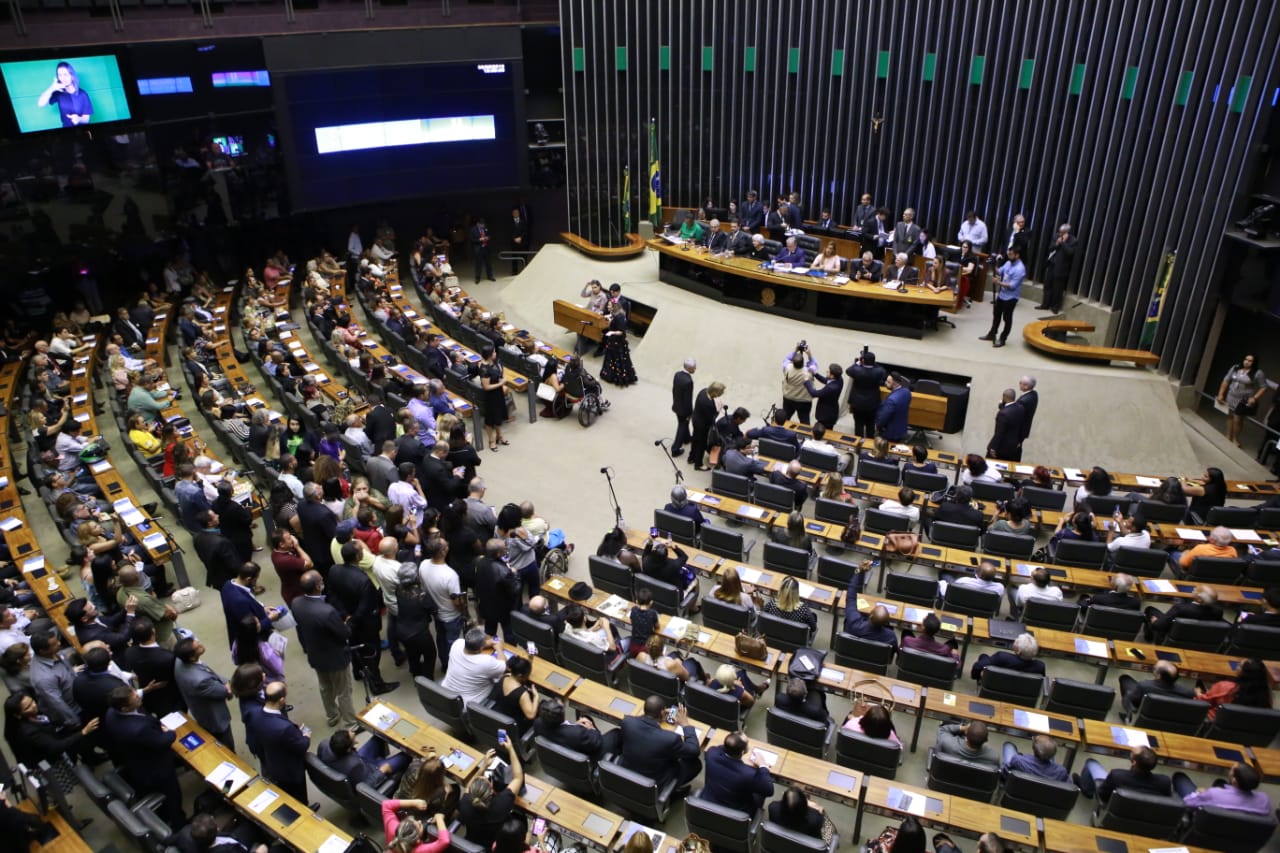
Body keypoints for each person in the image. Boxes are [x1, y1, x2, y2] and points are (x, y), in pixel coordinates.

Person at [103, 685, 185, 827]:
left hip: (136, 761)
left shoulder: (111, 713)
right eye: (135, 697)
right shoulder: (139, 729)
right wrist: (170, 732)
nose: (138, 695)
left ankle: (166, 816)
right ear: (125, 708)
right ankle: (179, 823)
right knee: (173, 797)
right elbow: (161, 742)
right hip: (157, 769)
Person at [291, 570, 357, 730]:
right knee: (344, 691)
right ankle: (351, 723)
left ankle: (332, 716)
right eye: (321, 580)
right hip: (335, 657)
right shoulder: (327, 611)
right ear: (317, 586)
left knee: (325, 687)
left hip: (316, 654)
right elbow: (344, 633)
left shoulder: (296, 603)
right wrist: (347, 623)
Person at [619, 696, 702, 791]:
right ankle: (671, 792)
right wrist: (685, 724)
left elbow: (638, 720)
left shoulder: (627, 722)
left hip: (626, 771)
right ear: (663, 712)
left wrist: (656, 715)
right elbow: (694, 750)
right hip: (653, 782)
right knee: (695, 764)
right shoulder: (670, 739)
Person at [250, 681, 311, 802]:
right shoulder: (284, 728)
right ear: (282, 700)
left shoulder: (256, 715)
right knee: (298, 798)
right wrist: (306, 736)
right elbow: (302, 746)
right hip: (290, 770)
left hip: (272, 763)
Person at [173, 636, 234, 749]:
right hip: (215, 718)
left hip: (199, 706)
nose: (201, 644)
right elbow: (224, 691)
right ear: (191, 657)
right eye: (198, 647)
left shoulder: (179, 660)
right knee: (226, 746)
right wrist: (229, 686)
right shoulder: (200, 681)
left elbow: (210, 674)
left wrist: (226, 682)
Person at [458, 746, 525, 847]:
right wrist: (511, 748)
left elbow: (468, 786)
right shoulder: (502, 804)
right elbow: (518, 777)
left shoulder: (464, 803)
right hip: (495, 844)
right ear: (492, 789)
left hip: (472, 843)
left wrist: (483, 767)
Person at [701, 731, 774, 815]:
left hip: (709, 802)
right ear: (743, 752)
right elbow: (769, 790)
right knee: (760, 791)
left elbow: (719, 749)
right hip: (736, 813)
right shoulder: (749, 774)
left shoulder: (711, 754)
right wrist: (762, 765)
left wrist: (730, 745)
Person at [1173, 762, 1273, 816]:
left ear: (1234, 781)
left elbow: (1188, 802)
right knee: (1220, 783)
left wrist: (1198, 793)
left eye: (1232, 770)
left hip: (1208, 823)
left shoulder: (1214, 794)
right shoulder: (1265, 800)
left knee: (1179, 777)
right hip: (1240, 833)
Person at [533, 697, 620, 758]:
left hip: (563, 750)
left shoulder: (538, 723)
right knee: (616, 733)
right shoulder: (577, 734)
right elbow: (597, 743)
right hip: (590, 755)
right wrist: (591, 728)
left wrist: (574, 726)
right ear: (562, 715)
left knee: (586, 717)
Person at [441, 628, 506, 707]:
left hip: (448, 694)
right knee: (504, 679)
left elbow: (471, 646)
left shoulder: (457, 644)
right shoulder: (485, 662)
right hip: (471, 704)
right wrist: (499, 649)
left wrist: (487, 643)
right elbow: (504, 664)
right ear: (481, 648)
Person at [1193, 658, 1272, 719]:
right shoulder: (1265, 694)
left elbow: (1202, 702)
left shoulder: (1225, 687)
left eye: (1239, 666)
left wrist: (1198, 692)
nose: (1236, 666)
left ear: (1244, 673)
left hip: (1213, 722)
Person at [1117, 659, 1194, 721]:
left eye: (1154, 668)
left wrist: (1128, 697)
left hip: (1145, 711)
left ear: (1159, 676)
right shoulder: (1187, 693)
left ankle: (1129, 716)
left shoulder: (1144, 686)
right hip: (1168, 718)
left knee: (1125, 679)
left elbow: (1132, 699)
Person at [979, 246, 1025, 348]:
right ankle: (992, 333)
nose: (1009, 256)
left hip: (1011, 297)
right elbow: (1000, 271)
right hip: (1002, 295)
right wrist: (993, 265)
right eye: (1008, 254)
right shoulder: (1009, 263)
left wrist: (998, 282)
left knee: (1007, 318)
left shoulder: (1020, 269)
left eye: (1011, 254)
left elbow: (1012, 286)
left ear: (1017, 255)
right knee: (996, 315)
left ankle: (1003, 338)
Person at [1144, 584, 1224, 642]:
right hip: (1199, 635)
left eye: (1195, 590)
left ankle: (1149, 637)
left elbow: (1159, 625)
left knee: (1150, 609)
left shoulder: (1180, 608)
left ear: (1199, 599)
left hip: (1174, 632)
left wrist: (1155, 622)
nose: (1193, 590)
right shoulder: (1218, 611)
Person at [1218, 355, 1268, 447]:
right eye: (1246, 359)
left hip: (1243, 400)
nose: (1247, 362)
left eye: (1250, 361)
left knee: (1238, 419)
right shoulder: (1235, 367)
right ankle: (1228, 435)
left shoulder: (1258, 372)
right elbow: (1226, 380)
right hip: (1231, 396)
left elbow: (1264, 387)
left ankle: (1235, 438)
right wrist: (1221, 394)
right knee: (1230, 416)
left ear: (1254, 362)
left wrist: (1254, 398)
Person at [845, 349, 887, 438]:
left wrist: (858, 363)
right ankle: (869, 444)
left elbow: (848, 370)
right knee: (871, 426)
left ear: (862, 360)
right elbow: (883, 371)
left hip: (858, 403)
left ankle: (858, 445)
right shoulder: (879, 372)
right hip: (872, 404)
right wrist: (872, 363)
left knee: (858, 425)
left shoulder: (857, 370)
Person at [38, 61, 93, 127]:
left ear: (72, 76)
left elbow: (87, 119)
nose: (63, 78)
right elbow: (41, 104)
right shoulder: (58, 92)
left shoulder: (83, 94)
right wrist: (52, 88)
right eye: (60, 75)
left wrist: (79, 119)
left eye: (65, 74)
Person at [1037, 223, 1077, 312]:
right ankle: (1045, 304)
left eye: (1062, 232)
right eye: (1060, 232)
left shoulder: (1073, 240)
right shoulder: (1056, 236)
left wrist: (1063, 243)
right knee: (1047, 285)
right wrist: (1057, 243)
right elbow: (1050, 248)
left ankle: (1055, 307)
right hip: (1052, 264)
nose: (1060, 234)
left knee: (1058, 289)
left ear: (1067, 232)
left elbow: (1070, 253)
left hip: (1061, 268)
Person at [970, 632, 1044, 681]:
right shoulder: (1040, 666)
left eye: (1017, 641)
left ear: (1018, 652)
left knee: (983, 656)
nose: (1015, 640)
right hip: (1021, 693)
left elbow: (978, 666)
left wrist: (977, 677)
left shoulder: (1001, 657)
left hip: (995, 687)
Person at [1000, 735, 1070, 782]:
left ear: (1033, 748)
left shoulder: (1018, 760)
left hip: (1018, 788)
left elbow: (1006, 770)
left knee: (1008, 745)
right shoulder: (1061, 772)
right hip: (1044, 795)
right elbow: (1068, 786)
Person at [690, 381, 725, 471]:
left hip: (696, 420)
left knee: (695, 440)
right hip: (702, 426)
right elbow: (712, 418)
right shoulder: (708, 404)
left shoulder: (703, 391)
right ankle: (698, 464)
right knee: (701, 445)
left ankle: (691, 457)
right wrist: (718, 410)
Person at [599, 306, 637, 386]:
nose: (608, 307)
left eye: (610, 306)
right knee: (610, 359)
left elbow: (621, 331)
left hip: (617, 343)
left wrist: (612, 332)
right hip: (612, 341)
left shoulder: (620, 318)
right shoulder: (615, 315)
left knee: (617, 360)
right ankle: (609, 375)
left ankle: (618, 377)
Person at [987, 389, 1025, 461]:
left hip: (1001, 448)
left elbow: (999, 433)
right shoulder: (1021, 408)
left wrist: (993, 448)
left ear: (1004, 397)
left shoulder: (1002, 414)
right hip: (1013, 446)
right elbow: (1011, 413)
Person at [805, 364, 844, 430]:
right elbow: (826, 380)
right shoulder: (839, 379)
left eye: (828, 371)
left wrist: (807, 381)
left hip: (826, 415)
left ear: (832, 375)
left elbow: (814, 393)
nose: (826, 371)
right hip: (832, 412)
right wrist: (815, 374)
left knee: (823, 432)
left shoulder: (831, 388)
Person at [875, 372, 912, 441]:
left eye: (888, 382)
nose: (885, 383)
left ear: (895, 384)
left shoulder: (891, 400)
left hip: (890, 433)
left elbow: (883, 418)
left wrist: (878, 426)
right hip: (901, 429)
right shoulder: (907, 392)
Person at [671, 358, 696, 456]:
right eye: (694, 368)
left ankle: (687, 438)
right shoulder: (688, 381)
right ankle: (675, 449)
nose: (695, 369)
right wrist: (690, 413)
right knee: (682, 426)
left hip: (677, 405)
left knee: (683, 424)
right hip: (684, 410)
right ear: (689, 368)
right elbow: (688, 400)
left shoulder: (677, 375)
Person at [470, 218, 495, 282]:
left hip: (486, 248)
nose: (483, 226)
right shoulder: (473, 229)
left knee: (488, 263)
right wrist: (479, 240)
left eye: (484, 225)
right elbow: (472, 239)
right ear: (478, 224)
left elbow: (490, 235)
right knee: (478, 264)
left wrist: (487, 237)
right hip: (478, 249)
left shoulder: (486, 228)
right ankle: (477, 277)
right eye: (482, 225)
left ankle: (490, 276)